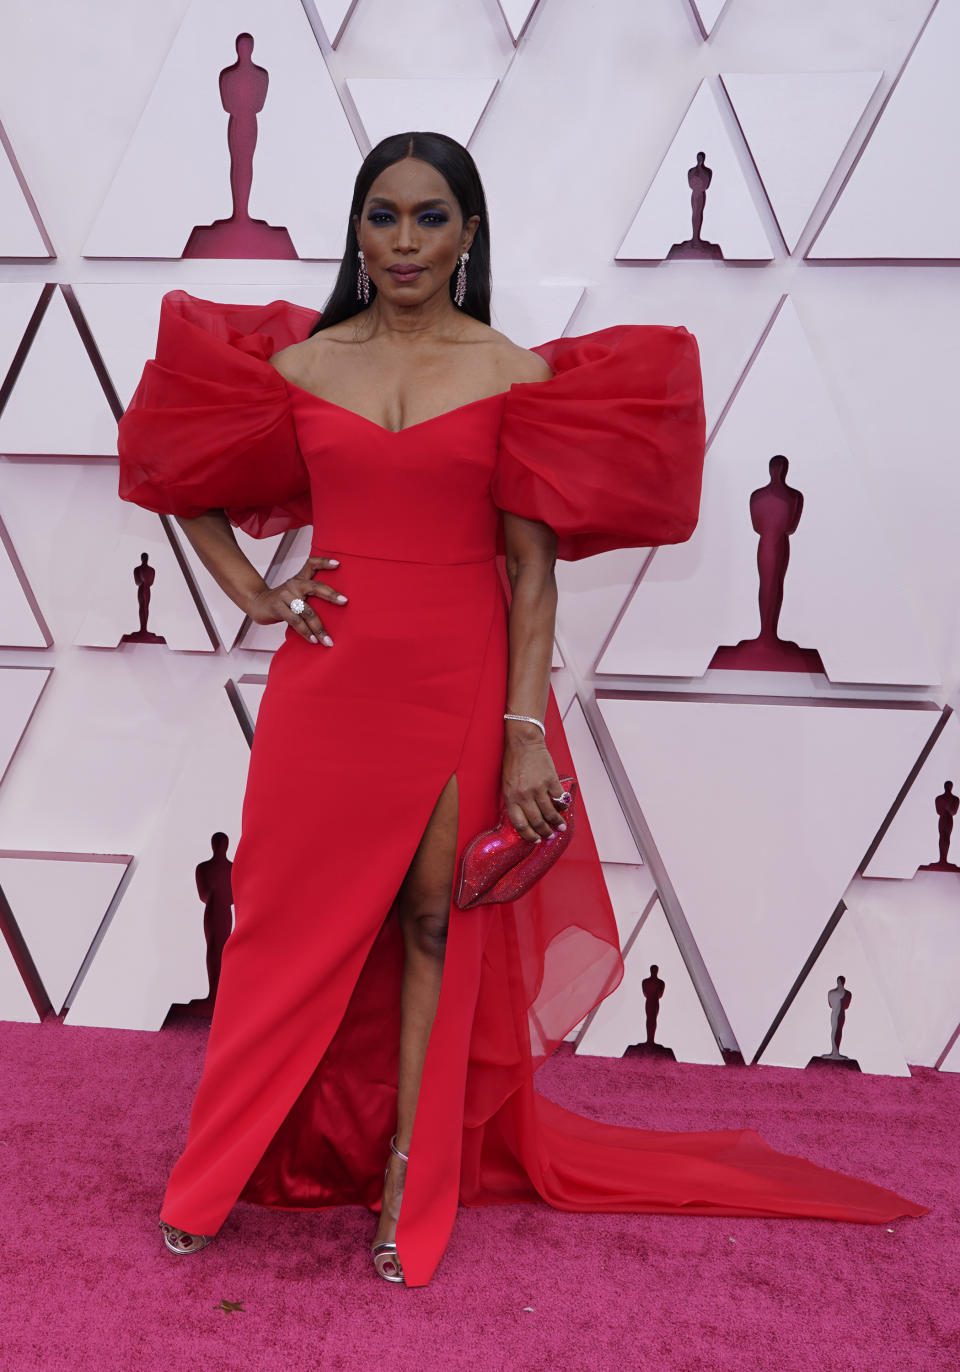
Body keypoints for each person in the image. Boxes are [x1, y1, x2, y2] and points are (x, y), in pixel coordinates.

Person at [116, 130, 928, 1288]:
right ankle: (211, 1169)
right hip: (327, 685)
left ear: (468, 233)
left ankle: (410, 1176)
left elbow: (534, 575)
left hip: (458, 673)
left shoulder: (513, 373)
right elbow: (171, 463)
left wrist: (525, 730)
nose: (405, 240)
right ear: (356, 229)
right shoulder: (302, 365)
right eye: (384, 215)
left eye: (430, 217)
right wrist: (254, 590)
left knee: (436, 929)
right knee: (278, 932)